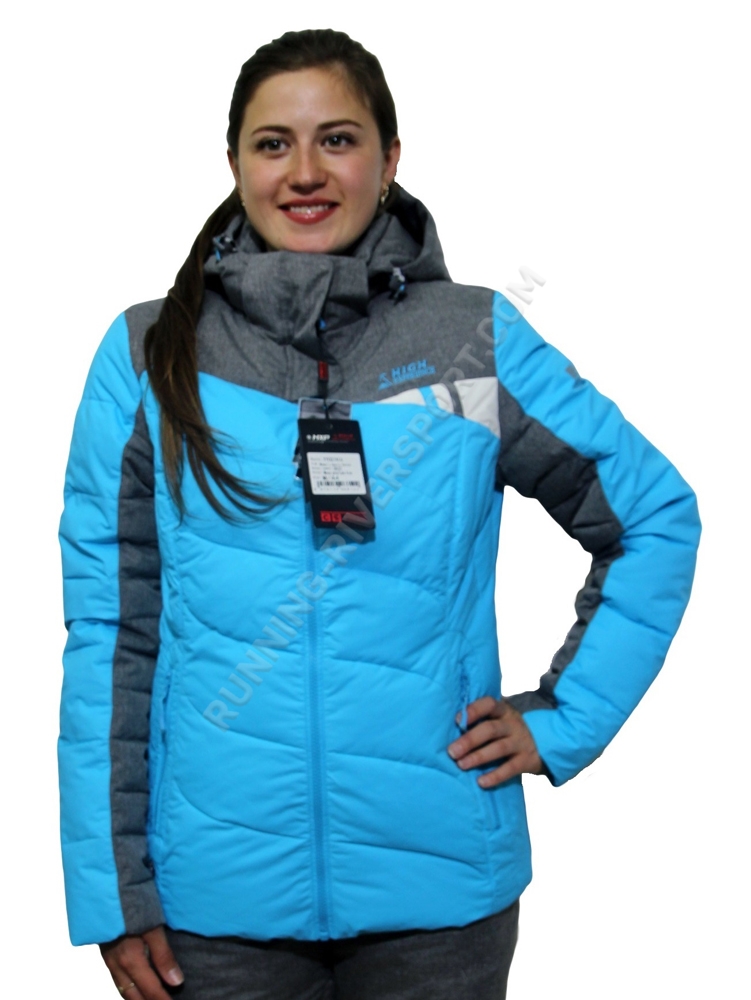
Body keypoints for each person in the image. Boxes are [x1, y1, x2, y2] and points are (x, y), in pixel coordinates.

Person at [57, 27, 701, 1000]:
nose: (304, 172)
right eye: (273, 143)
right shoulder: (148, 353)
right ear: (233, 162)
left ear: (390, 158)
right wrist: (112, 888)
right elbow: (111, 633)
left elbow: (654, 516)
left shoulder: (473, 341)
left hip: (440, 899)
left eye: (338, 139)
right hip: (212, 908)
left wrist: (563, 717)